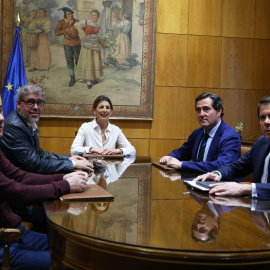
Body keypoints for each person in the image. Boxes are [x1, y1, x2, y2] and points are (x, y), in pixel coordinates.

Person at [0, 104, 88, 270]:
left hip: (13, 230)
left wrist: (62, 177)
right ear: (19, 104)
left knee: (77, 251)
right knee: (69, 263)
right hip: (4, 242)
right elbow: (16, 191)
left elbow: (20, 176)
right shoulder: (15, 126)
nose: (2, 118)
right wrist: (65, 185)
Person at [0, 84, 93, 174]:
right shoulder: (14, 126)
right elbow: (34, 164)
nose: (36, 107)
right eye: (30, 102)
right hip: (16, 182)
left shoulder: (26, 123)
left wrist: (69, 158)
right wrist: (73, 164)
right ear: (19, 104)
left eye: (39, 102)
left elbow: (40, 154)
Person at [193, 96, 270, 201]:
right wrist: (217, 174)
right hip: (258, 210)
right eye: (262, 117)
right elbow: (236, 166)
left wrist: (247, 188)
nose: (267, 122)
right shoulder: (262, 143)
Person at [159, 93, 241, 173]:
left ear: (219, 111)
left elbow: (221, 166)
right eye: (198, 110)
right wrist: (170, 157)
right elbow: (183, 152)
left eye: (206, 109)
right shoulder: (197, 133)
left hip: (221, 184)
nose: (201, 114)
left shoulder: (230, 136)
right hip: (197, 180)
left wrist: (182, 165)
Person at [71, 95, 136, 156]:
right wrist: (92, 150)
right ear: (94, 111)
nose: (105, 110)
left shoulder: (116, 130)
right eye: (101, 107)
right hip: (91, 166)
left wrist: (118, 150)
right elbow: (74, 150)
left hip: (111, 166)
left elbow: (132, 150)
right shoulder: (85, 127)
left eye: (107, 108)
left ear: (111, 112)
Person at [74, 9, 103, 89]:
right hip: (87, 46)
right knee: (88, 62)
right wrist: (83, 33)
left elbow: (100, 38)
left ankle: (93, 78)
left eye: (94, 15)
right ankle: (88, 80)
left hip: (95, 47)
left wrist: (105, 44)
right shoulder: (86, 22)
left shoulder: (98, 27)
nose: (92, 16)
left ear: (97, 18)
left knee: (94, 63)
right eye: (92, 15)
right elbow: (76, 25)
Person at [54, 7, 81, 87]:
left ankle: (80, 74)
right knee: (69, 60)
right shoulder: (61, 22)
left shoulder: (77, 21)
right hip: (67, 44)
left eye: (72, 13)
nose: (71, 15)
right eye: (69, 14)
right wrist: (64, 31)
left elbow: (84, 29)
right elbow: (56, 33)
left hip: (76, 42)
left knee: (78, 59)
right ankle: (72, 77)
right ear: (65, 15)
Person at [20, 0, 37, 67]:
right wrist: (26, 4)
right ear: (30, 13)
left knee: (30, 49)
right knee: (24, 49)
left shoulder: (35, 21)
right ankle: (24, 63)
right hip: (25, 35)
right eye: (33, 13)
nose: (34, 14)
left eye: (35, 14)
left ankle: (29, 63)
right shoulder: (26, 18)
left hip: (32, 36)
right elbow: (21, 11)